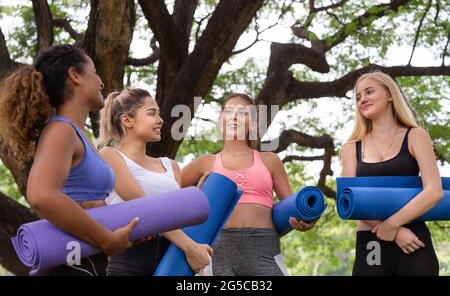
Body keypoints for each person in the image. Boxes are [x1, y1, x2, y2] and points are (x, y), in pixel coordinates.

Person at [0, 44, 139, 276]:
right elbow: (41, 195)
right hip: (71, 263)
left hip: (88, 260)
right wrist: (106, 239)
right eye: (94, 71)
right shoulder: (60, 131)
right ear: (75, 75)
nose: (101, 81)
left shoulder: (77, 134)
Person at [181, 93, 318, 276]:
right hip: (219, 249)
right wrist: (196, 195)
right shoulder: (205, 162)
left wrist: (307, 221)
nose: (234, 117)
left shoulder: (270, 161)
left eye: (242, 112)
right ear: (220, 121)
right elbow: (171, 197)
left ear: (253, 124)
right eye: (228, 111)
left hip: (264, 247)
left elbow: (293, 207)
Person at [97, 88, 213, 276]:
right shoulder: (110, 156)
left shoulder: (170, 166)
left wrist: (194, 200)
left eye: (158, 113)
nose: (160, 120)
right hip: (132, 261)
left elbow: (176, 219)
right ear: (127, 120)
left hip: (173, 259)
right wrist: (191, 248)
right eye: (152, 113)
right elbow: (144, 207)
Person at [340, 71, 443, 276]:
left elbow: (434, 191)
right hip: (371, 243)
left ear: (389, 95)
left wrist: (393, 226)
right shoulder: (351, 147)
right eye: (358, 97)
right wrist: (392, 231)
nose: (363, 100)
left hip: (413, 239)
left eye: (369, 92)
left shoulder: (416, 136)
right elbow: (347, 200)